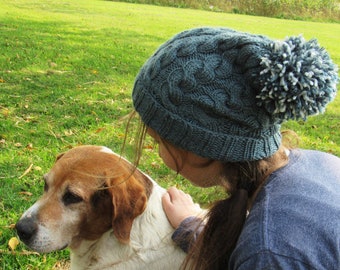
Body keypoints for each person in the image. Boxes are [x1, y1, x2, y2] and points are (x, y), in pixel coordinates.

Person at [128, 27, 340, 269]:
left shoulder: (267, 253)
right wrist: (192, 227)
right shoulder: (320, 164)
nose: (158, 152)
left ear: (200, 147)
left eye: (158, 142)